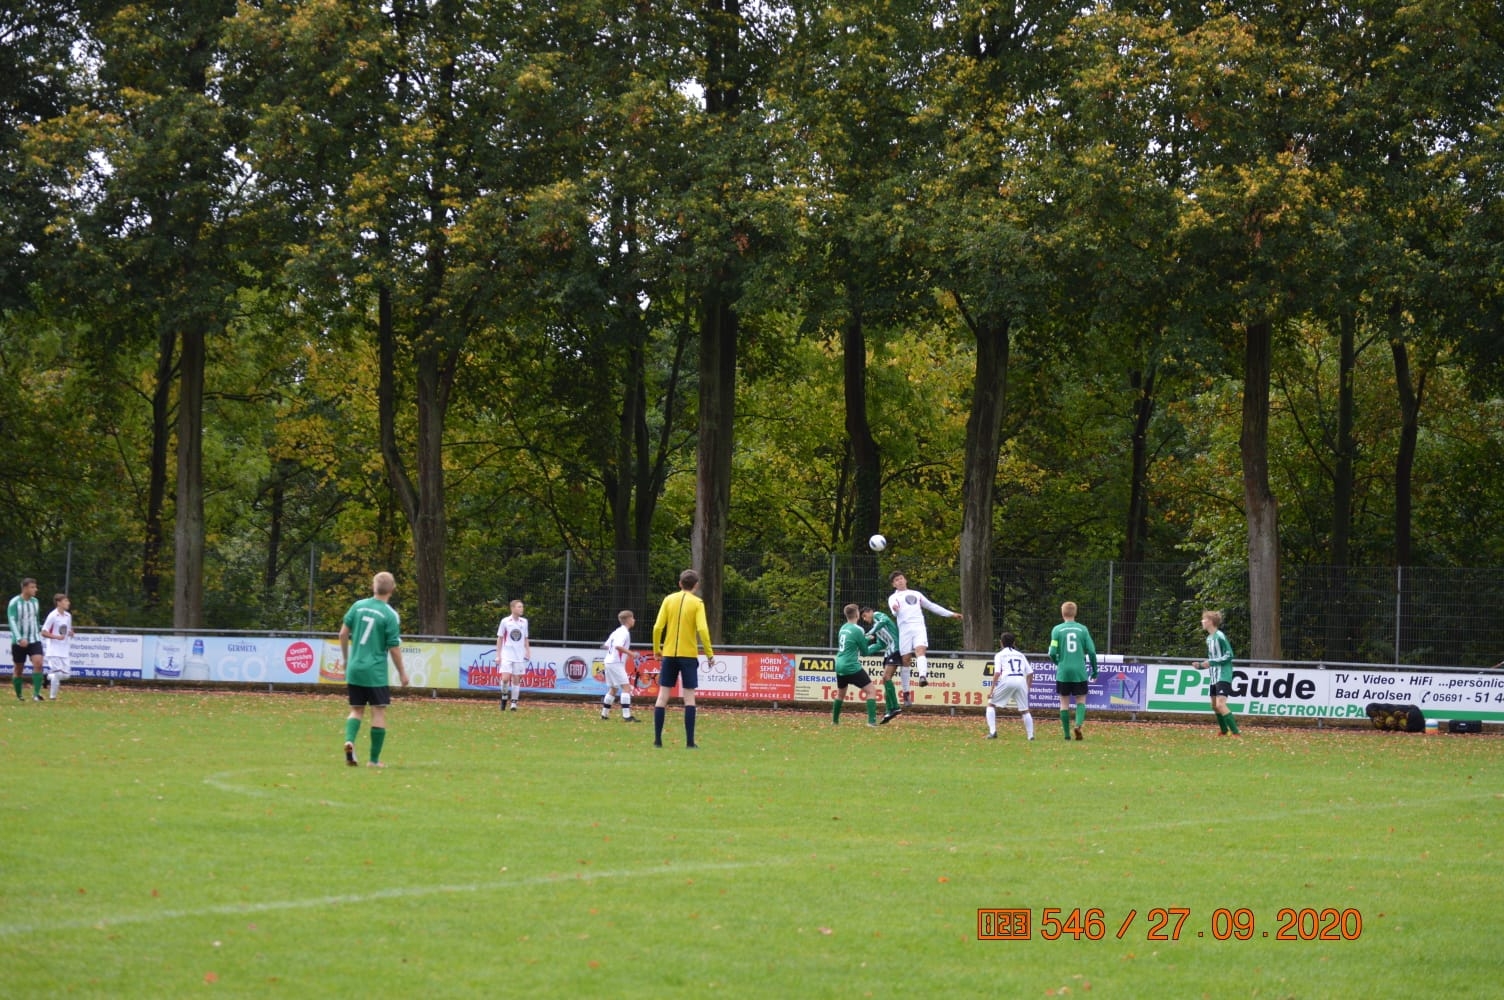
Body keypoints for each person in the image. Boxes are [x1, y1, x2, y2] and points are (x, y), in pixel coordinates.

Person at [338, 571, 409, 768]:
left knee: (356, 710)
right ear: (392, 590)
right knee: (378, 712)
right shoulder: (390, 615)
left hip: (355, 668)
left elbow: (343, 634)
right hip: (375, 672)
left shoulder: (358, 606)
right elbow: (394, 648)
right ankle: (374, 760)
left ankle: (350, 741)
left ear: (373, 587)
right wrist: (402, 672)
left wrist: (346, 659)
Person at [651, 569, 714, 749]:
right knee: (689, 698)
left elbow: (657, 627)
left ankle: (657, 740)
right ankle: (690, 742)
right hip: (688, 655)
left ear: (680, 583)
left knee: (662, 697)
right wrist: (709, 653)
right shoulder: (697, 603)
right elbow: (702, 629)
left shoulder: (668, 600)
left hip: (669, 653)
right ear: (696, 585)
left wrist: (657, 649)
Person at [885, 571, 962, 702]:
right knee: (906, 660)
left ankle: (922, 677)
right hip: (905, 630)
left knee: (920, 651)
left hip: (919, 627)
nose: (900, 581)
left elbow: (931, 606)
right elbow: (894, 611)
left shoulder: (916, 594)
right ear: (894, 584)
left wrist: (951, 614)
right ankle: (906, 693)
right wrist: (895, 609)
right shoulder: (893, 597)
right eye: (896, 580)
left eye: (901, 578)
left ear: (905, 580)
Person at [1048, 601, 1097, 741]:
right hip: (1079, 671)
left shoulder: (1057, 630)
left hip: (1063, 671)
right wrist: (1095, 670)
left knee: (1064, 702)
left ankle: (1067, 735)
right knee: (1081, 699)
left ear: (1062, 613)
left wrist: (1058, 662)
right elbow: (1092, 651)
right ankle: (1078, 725)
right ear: (1075, 613)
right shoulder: (1083, 630)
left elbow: (1052, 652)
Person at [1195, 610, 1241, 736]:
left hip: (1223, 674)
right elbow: (1212, 660)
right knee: (1214, 706)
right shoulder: (1209, 638)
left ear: (1210, 622)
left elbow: (1229, 655)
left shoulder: (1220, 636)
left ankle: (1236, 733)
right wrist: (1200, 666)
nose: (1202, 621)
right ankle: (1224, 730)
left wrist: (1211, 662)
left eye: (1204, 619)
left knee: (1220, 704)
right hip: (1214, 676)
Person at [832, 603, 879, 727]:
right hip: (851, 666)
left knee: (840, 694)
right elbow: (865, 652)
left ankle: (834, 722)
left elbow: (851, 642)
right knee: (871, 691)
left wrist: (864, 639)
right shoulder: (858, 629)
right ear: (857, 614)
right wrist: (872, 642)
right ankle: (872, 722)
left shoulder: (843, 628)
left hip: (839, 664)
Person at [987, 631, 1035, 740]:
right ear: (1014, 643)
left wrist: (991, 690)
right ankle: (1030, 736)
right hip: (1021, 680)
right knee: (1025, 710)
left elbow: (997, 673)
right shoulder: (1020, 655)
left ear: (1001, 643)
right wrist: (1027, 688)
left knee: (991, 704)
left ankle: (993, 732)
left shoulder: (999, 655)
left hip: (1008, 679)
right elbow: (1030, 673)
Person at [861, 605, 904, 723]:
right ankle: (889, 710)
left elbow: (884, 620)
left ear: (870, 611)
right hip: (889, 651)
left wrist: (869, 633)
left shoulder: (877, 615)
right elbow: (881, 644)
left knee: (886, 677)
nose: (864, 619)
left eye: (864, 615)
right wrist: (865, 651)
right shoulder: (877, 628)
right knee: (885, 680)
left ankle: (895, 707)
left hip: (895, 648)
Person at [9, 578, 44, 702]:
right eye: (32, 587)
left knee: (38, 663)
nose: (35, 589)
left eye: (35, 587)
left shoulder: (35, 602)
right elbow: (12, 621)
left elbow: (36, 618)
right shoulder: (14, 602)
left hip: (34, 639)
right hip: (19, 642)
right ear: (25, 588)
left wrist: (38, 631)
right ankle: (19, 695)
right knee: (19, 669)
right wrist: (19, 638)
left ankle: (36, 694)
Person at [600, 609, 638, 722]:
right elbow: (618, 646)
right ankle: (627, 716)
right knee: (626, 688)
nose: (634, 620)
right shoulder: (624, 632)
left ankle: (604, 714)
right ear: (628, 620)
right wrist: (631, 654)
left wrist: (617, 652)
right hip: (616, 663)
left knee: (614, 688)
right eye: (633, 618)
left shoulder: (616, 631)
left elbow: (606, 645)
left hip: (609, 661)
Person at [495, 599, 530, 712]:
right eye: (519, 607)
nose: (521, 609)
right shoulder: (505, 621)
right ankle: (504, 696)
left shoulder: (524, 622)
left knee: (516, 679)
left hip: (519, 655)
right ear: (513, 608)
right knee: (505, 679)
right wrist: (498, 655)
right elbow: (500, 638)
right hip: (507, 654)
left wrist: (528, 651)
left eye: (522, 606)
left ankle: (514, 703)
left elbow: (525, 638)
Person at [41, 593, 72, 701]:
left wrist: (70, 633)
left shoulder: (68, 616)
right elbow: (44, 632)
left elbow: (67, 630)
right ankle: (52, 697)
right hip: (53, 650)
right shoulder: (53, 615)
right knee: (58, 673)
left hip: (64, 650)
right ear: (59, 603)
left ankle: (47, 676)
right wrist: (56, 637)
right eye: (65, 601)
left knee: (66, 675)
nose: (68, 603)